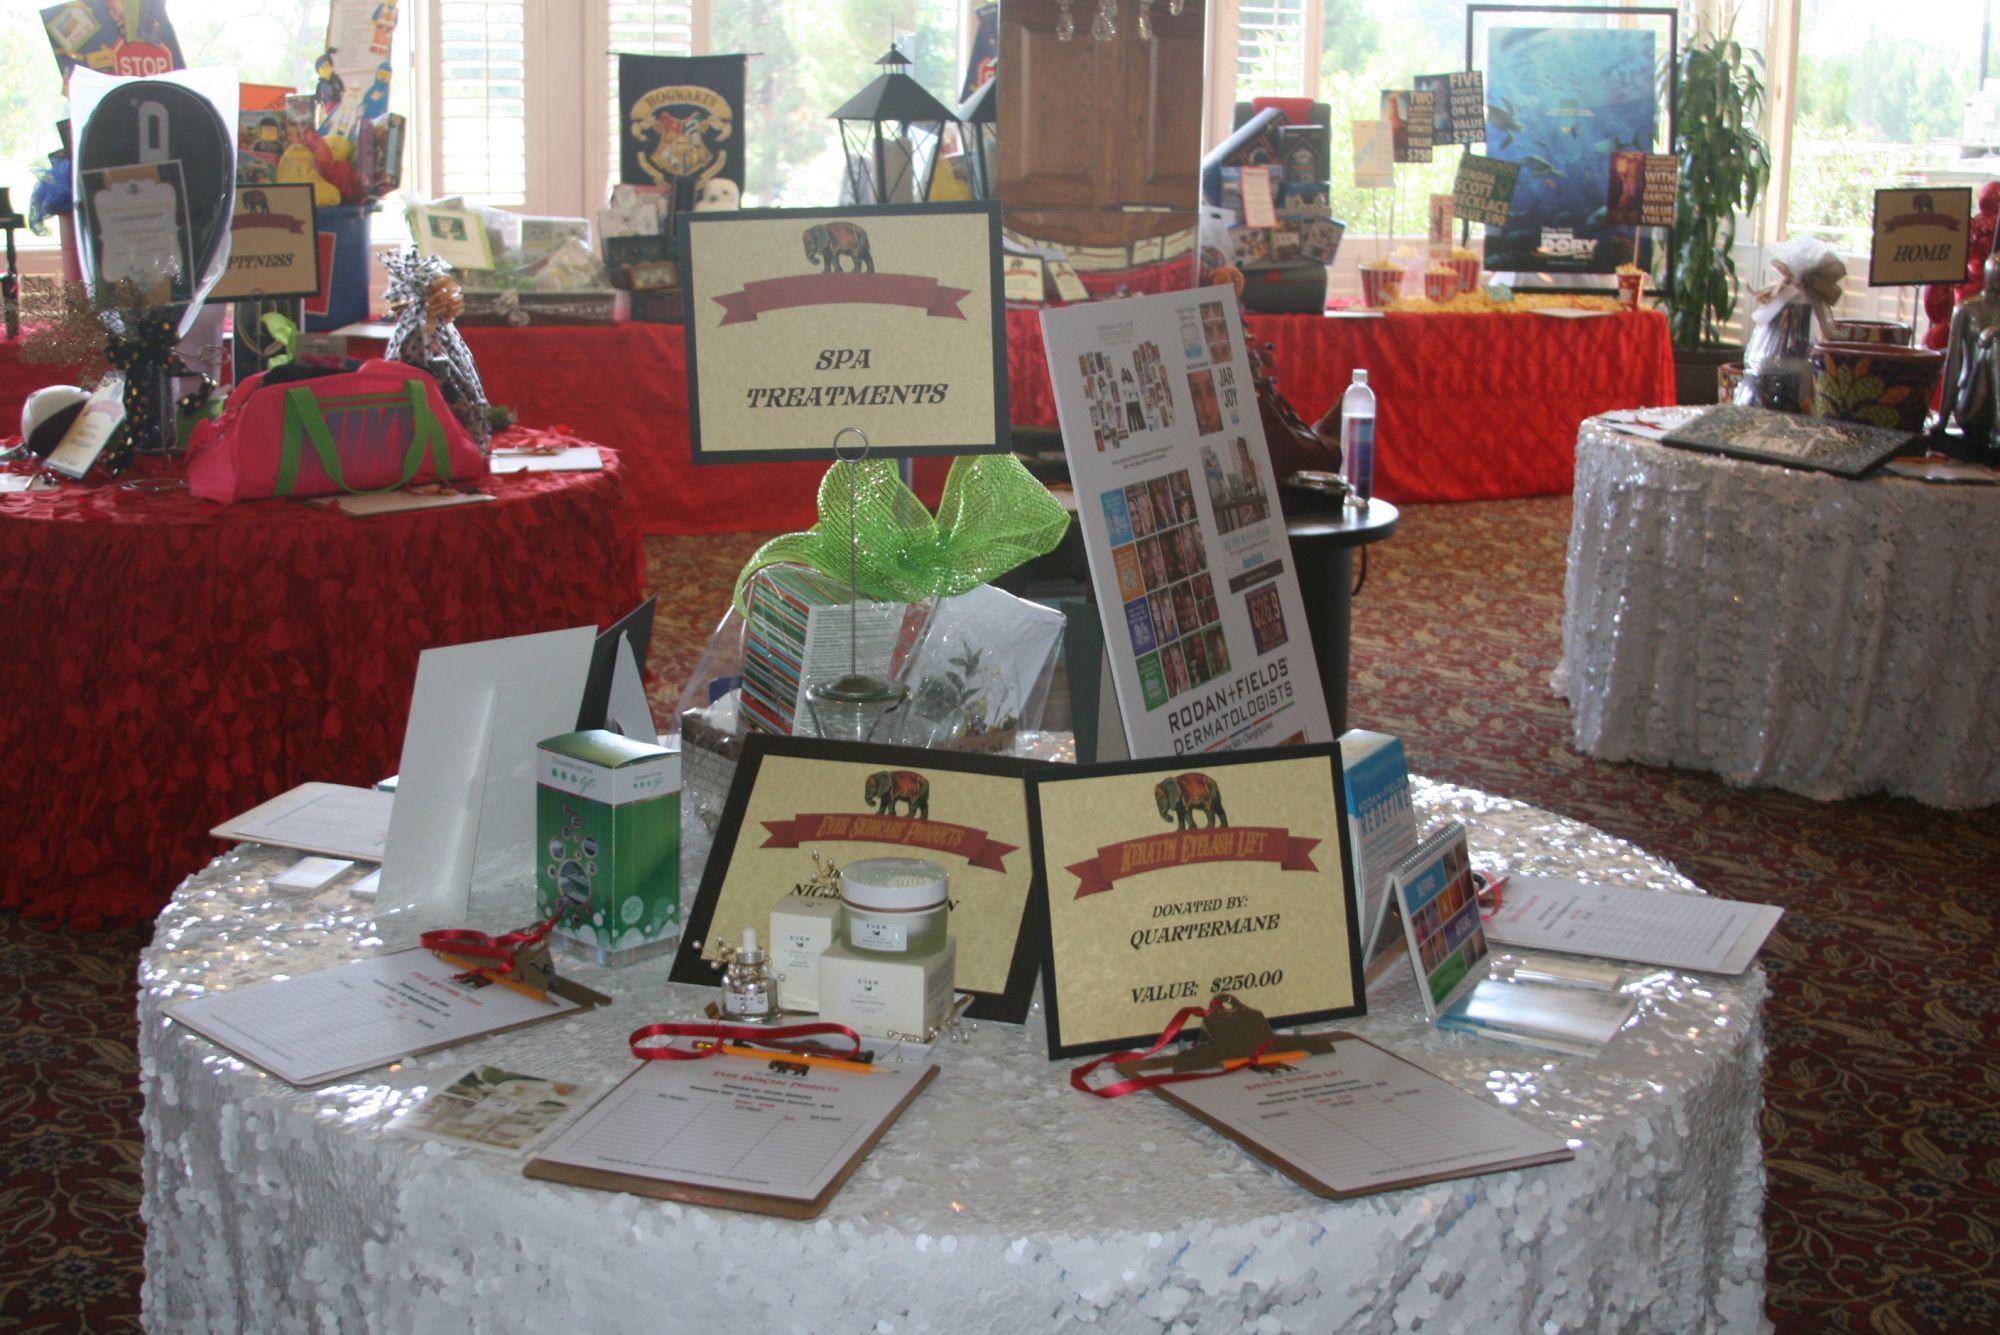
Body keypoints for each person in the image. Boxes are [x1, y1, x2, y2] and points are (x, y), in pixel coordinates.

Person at [1942, 253, 2000, 436]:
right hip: (1972, 402)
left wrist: (1994, 330)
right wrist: (1942, 420)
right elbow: (1953, 364)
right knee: (1996, 346)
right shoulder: (1966, 310)